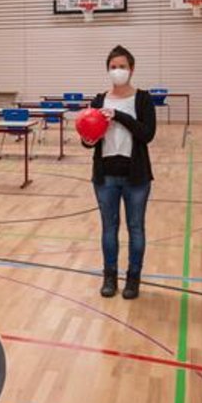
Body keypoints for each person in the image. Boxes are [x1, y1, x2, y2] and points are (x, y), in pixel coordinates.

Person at [81, 45, 156, 300]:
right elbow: (89, 135)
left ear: (131, 69)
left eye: (122, 67)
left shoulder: (143, 98)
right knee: (108, 227)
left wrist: (119, 115)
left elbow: (147, 134)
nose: (117, 71)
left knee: (136, 228)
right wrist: (87, 140)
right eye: (113, 67)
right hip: (105, 174)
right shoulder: (99, 100)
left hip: (136, 175)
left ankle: (133, 279)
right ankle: (109, 276)